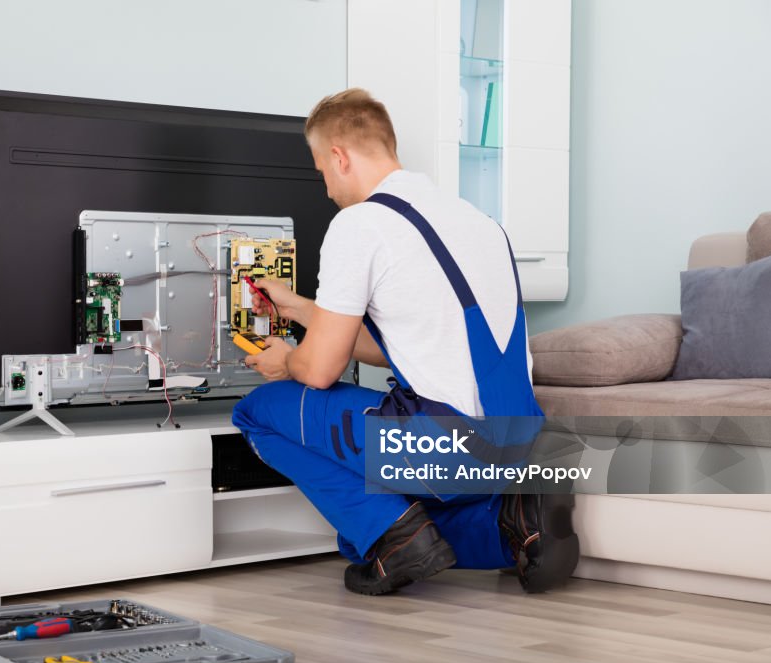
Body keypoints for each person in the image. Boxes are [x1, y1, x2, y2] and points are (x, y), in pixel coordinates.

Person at [231, 88, 579, 596]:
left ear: (338, 156)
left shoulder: (359, 224)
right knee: (358, 541)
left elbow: (320, 371)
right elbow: (419, 340)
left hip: (446, 447)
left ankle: (399, 540)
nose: (325, 188)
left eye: (320, 171)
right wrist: (305, 310)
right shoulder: (479, 223)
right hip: (516, 442)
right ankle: (513, 524)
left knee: (258, 412)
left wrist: (288, 360)